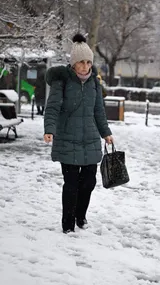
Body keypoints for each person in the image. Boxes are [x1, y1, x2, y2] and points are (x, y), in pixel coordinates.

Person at [44, 33, 113, 233]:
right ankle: (68, 224)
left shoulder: (94, 83)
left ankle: (80, 216)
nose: (85, 66)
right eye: (81, 62)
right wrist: (49, 130)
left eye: (88, 62)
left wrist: (106, 133)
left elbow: (99, 111)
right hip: (67, 139)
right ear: (73, 63)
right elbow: (52, 108)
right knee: (72, 184)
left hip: (90, 139)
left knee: (89, 182)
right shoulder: (62, 82)